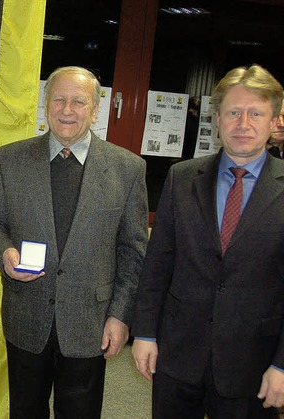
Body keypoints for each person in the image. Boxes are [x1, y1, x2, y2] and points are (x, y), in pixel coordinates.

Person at [0, 66, 148, 418]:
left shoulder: (127, 169)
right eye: (59, 100)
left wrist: (120, 315)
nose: (67, 110)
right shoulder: (10, 159)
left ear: (96, 109)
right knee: (25, 410)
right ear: (46, 104)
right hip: (26, 315)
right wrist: (4, 253)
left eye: (79, 101)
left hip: (91, 321)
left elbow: (133, 251)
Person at [132, 64, 284, 418]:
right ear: (217, 118)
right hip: (178, 355)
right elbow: (157, 265)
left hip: (254, 365)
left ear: (275, 120)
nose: (243, 123)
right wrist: (145, 334)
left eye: (256, 113)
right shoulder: (182, 178)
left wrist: (282, 365)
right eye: (233, 112)